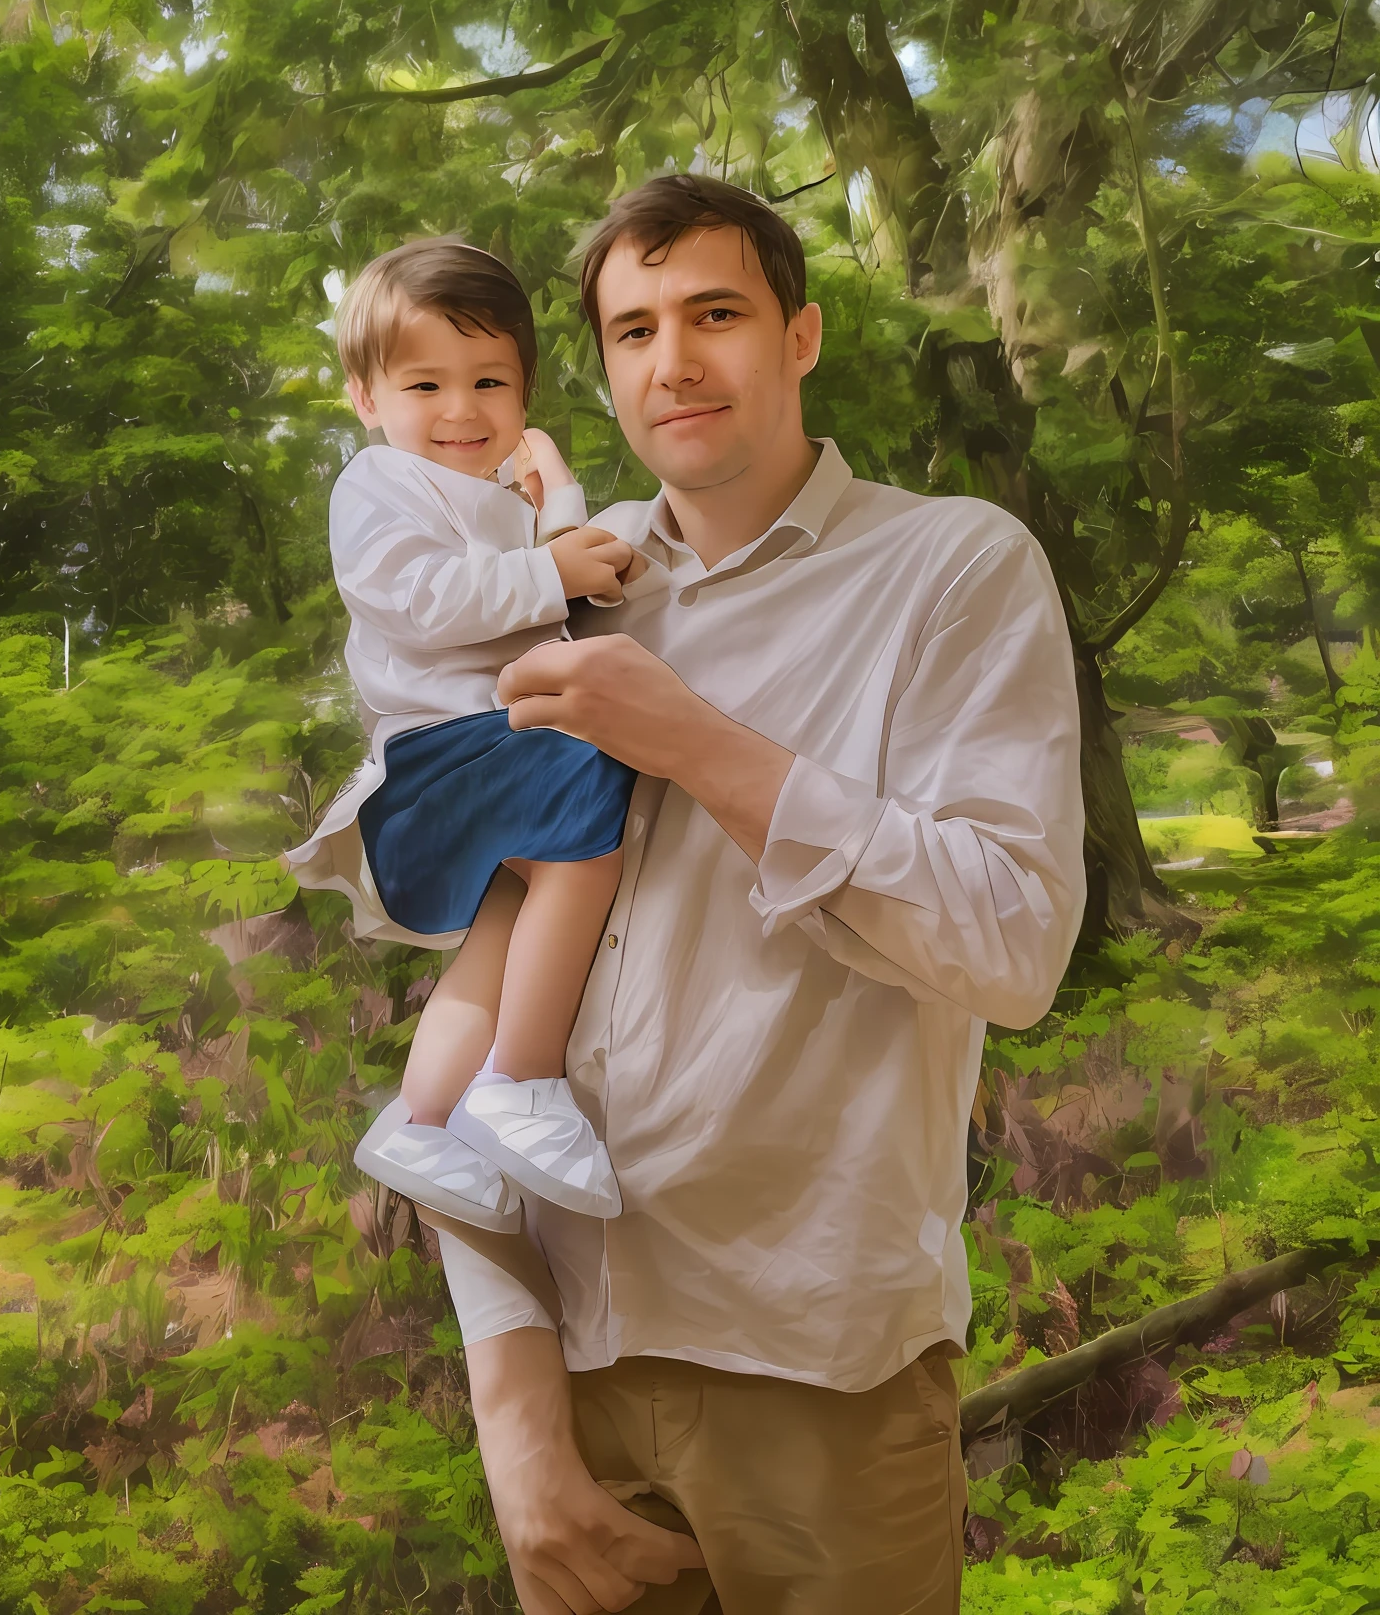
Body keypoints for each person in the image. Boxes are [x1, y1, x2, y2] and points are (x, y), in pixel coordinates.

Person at [297, 177, 1086, 1614]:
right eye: (633, 327)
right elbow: (481, 990)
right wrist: (517, 1421)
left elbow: (1015, 945)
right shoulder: (550, 593)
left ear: (801, 335)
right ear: (598, 369)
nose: (673, 360)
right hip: (568, 1382)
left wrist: (702, 748)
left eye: (715, 312)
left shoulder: (951, 569)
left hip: (822, 1377)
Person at [290, 236, 658, 1234]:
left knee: (506, 925)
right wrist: (553, 562)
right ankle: (524, 1079)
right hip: (438, 753)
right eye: (425, 383)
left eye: (490, 380)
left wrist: (556, 494)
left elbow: (562, 590)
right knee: (596, 801)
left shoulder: (494, 499)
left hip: (483, 746)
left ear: (524, 390)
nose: (462, 409)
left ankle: (420, 1117)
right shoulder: (378, 486)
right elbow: (424, 599)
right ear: (367, 397)